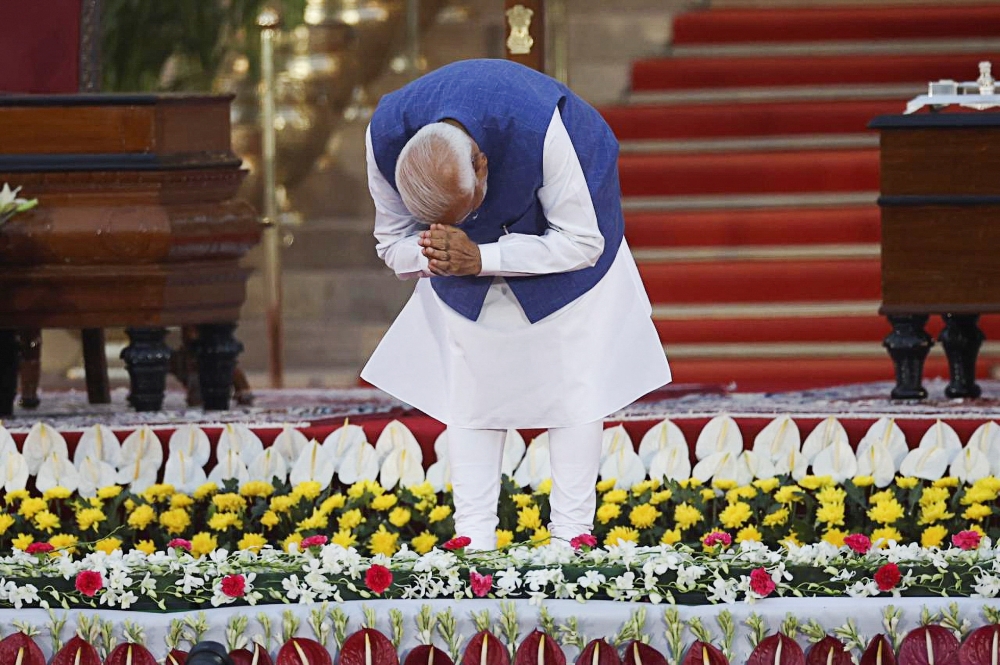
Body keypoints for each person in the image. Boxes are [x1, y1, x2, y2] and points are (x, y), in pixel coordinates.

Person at [361, 59, 671, 550]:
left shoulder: (544, 127)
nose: (463, 225)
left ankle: (572, 542)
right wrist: (433, 252)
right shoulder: (385, 137)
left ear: (482, 166)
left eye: (464, 215)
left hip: (570, 264)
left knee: (574, 391)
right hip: (461, 275)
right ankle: (472, 542)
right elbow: (391, 241)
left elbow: (582, 242)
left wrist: (480, 255)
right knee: (471, 394)